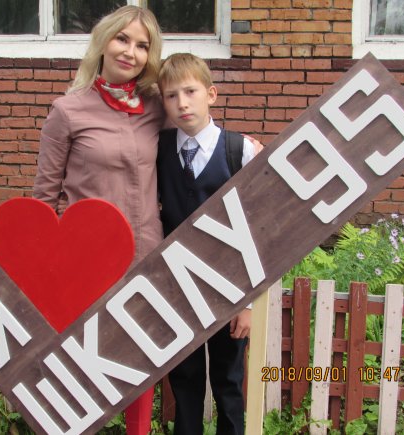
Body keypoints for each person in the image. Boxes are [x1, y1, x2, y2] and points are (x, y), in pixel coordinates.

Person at [33, 6, 165, 435]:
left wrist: (242, 146)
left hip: (146, 254)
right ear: (104, 42)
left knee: (140, 357)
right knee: (82, 359)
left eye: (142, 45)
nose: (130, 52)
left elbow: (198, 129)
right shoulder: (68, 111)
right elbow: (44, 196)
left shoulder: (156, 107)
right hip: (87, 260)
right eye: (122, 39)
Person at [157, 53, 261, 435]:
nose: (182, 103)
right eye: (171, 96)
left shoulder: (240, 151)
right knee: (184, 380)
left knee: (228, 381)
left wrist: (247, 304)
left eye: (190, 92)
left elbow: (257, 230)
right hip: (178, 288)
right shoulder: (158, 150)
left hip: (228, 288)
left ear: (211, 94)